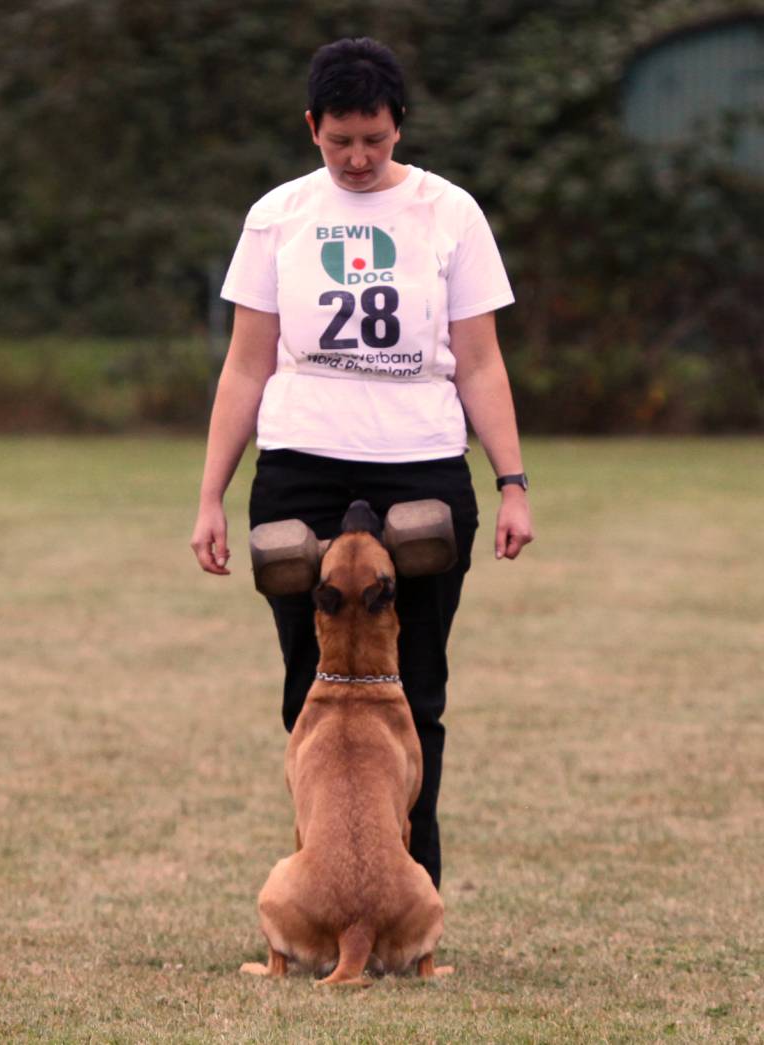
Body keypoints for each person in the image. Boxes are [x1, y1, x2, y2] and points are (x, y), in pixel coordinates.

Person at [190, 37, 533, 890]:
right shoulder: (278, 216)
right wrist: (210, 497)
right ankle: (327, 884)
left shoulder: (450, 213)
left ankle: (410, 899)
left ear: (399, 125)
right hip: (300, 467)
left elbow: (481, 362)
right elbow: (246, 366)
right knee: (310, 694)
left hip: (420, 465)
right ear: (312, 125)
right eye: (340, 139)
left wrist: (512, 482)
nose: (357, 157)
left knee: (415, 690)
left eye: (374, 139)